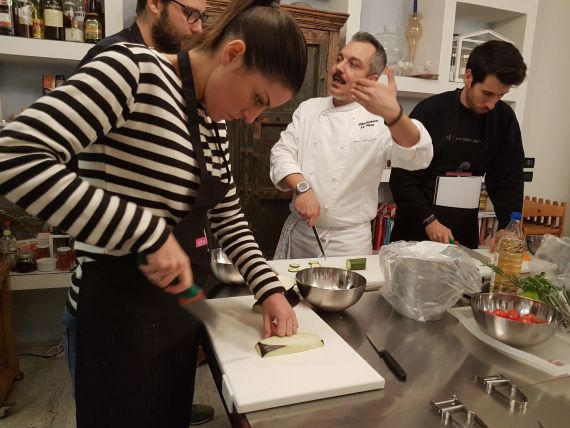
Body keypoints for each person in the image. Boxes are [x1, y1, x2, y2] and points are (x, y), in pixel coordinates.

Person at [0, 0, 307, 426]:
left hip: (176, 321)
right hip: (116, 322)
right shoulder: (133, 70)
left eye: (265, 109)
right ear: (232, 53)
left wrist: (269, 289)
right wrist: (146, 232)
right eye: (257, 98)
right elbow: (14, 155)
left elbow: (228, 215)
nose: (251, 117)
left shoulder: (213, 120)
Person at [63, 0, 214, 424]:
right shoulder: (117, 60)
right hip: (117, 303)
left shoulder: (187, 83)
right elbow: (66, 168)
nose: (196, 27)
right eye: (191, 13)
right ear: (155, 3)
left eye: (204, 17)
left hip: (168, 309)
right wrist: (147, 231)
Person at [269, 31, 432, 259]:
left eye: (353, 64)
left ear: (372, 80)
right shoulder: (309, 108)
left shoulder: (382, 119)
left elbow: (419, 155)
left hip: (347, 244)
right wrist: (302, 188)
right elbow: (281, 153)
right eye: (339, 59)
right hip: (301, 235)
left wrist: (394, 114)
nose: (339, 67)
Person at [389, 40, 527, 249]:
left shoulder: (504, 119)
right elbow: (402, 178)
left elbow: (508, 179)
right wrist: (429, 220)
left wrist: (508, 226)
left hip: (463, 236)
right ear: (468, 77)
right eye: (488, 94)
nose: (492, 104)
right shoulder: (431, 111)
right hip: (415, 230)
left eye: (501, 96)